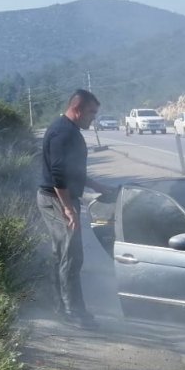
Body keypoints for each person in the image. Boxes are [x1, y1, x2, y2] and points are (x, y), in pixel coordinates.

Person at [37, 89, 113, 329]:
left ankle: (62, 308)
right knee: (70, 256)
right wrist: (68, 209)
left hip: (61, 198)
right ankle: (73, 313)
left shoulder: (71, 130)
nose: (94, 117)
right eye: (91, 112)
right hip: (55, 200)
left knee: (64, 255)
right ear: (77, 109)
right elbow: (59, 174)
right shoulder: (62, 132)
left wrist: (97, 186)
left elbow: (73, 172)